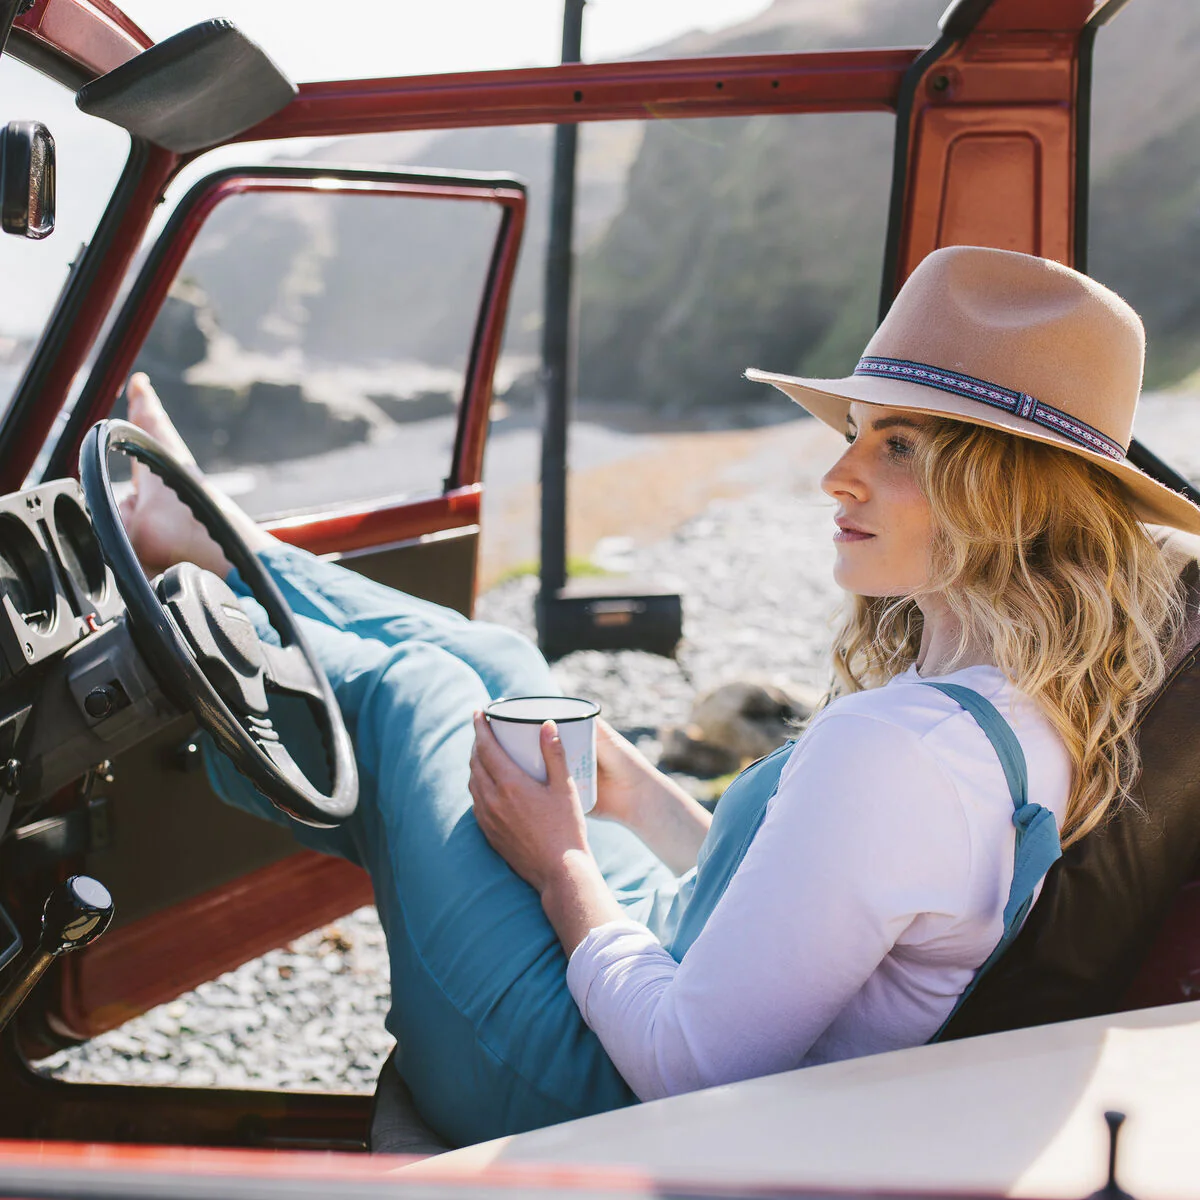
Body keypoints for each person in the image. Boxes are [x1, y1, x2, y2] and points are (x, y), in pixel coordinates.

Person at [117, 246, 1198, 1147]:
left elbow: (688, 1066)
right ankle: (221, 539)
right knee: (503, 664)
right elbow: (797, 911)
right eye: (855, 432)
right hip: (674, 970)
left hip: (593, 1099)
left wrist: (563, 865)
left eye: (899, 445)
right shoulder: (1015, 706)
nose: (837, 475)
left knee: (425, 690)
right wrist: (634, 795)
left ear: (1013, 494)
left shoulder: (901, 751)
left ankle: (196, 634)